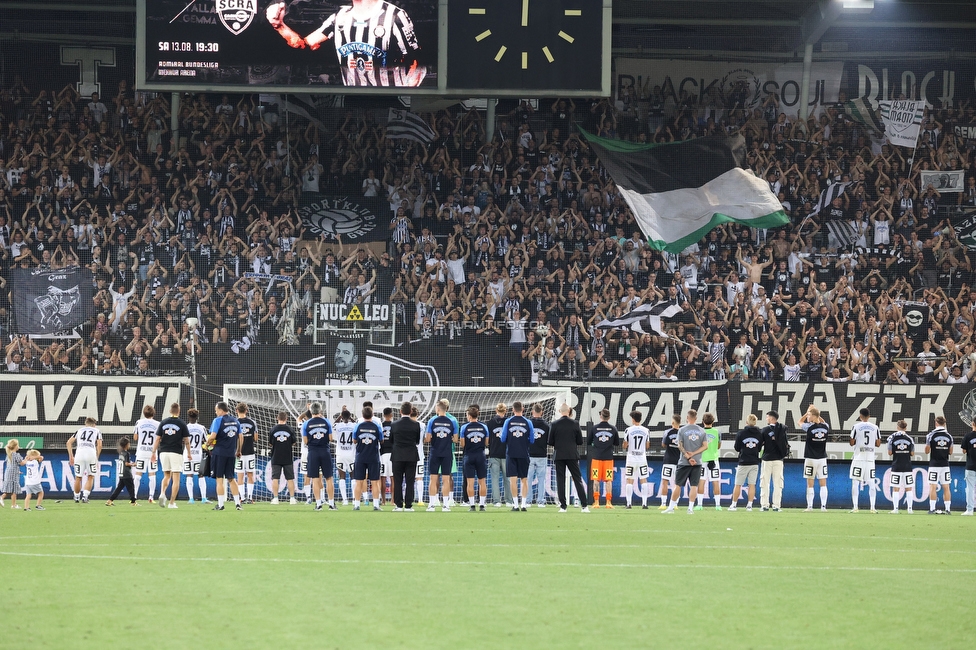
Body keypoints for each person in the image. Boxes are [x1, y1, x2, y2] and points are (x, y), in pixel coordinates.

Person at [266, 0, 427, 88]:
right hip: (354, 100)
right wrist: (279, 26)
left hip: (389, 100)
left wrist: (406, 92)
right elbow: (305, 45)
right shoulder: (340, 17)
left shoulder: (395, 15)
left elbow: (417, 60)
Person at [547, 403, 590, 513]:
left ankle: (563, 506)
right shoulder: (575, 424)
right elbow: (580, 441)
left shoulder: (554, 424)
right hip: (572, 454)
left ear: (560, 411)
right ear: (569, 411)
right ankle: (584, 506)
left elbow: (550, 441)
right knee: (577, 479)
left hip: (559, 455)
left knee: (560, 480)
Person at [664, 409, 708, 514]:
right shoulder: (702, 431)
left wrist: (688, 456)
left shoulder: (682, 430)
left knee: (678, 485)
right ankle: (690, 508)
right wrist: (694, 454)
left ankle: (671, 508)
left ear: (687, 418)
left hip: (684, 461)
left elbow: (679, 445)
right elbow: (705, 446)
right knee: (694, 486)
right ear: (696, 418)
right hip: (697, 462)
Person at [207, 401, 245, 511]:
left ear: (221, 410)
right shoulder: (235, 421)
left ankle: (220, 504)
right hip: (231, 453)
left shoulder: (217, 420)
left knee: (219, 479)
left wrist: (207, 444)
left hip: (219, 453)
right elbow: (241, 437)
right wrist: (238, 450)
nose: (215, 412)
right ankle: (238, 504)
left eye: (216, 410)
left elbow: (213, 436)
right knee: (231, 478)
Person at [152, 403, 191, 509]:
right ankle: (172, 502)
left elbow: (157, 439)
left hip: (163, 452)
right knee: (176, 479)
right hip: (176, 452)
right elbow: (186, 441)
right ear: (179, 411)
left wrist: (153, 452)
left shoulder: (163, 422)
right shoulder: (182, 423)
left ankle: (162, 493)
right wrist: (189, 453)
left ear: (170, 411)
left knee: (166, 476)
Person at [302, 402, 337, 511]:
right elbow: (331, 438)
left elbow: (305, 441)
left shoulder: (306, 424)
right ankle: (331, 504)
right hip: (325, 451)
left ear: (311, 411)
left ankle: (318, 505)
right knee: (329, 478)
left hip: (313, 452)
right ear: (320, 411)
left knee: (315, 479)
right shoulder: (326, 422)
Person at [501, 401, 534, 511]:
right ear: (523, 409)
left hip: (511, 453)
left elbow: (503, 438)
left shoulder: (508, 421)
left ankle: (515, 505)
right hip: (524, 453)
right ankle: (523, 504)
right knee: (524, 479)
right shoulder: (528, 422)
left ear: (513, 409)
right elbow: (532, 439)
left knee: (513, 480)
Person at [425, 401, 458, 511]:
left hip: (435, 452)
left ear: (438, 409)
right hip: (447, 453)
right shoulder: (452, 421)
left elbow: (428, 439)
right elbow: (456, 439)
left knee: (433, 479)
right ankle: (446, 505)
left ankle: (431, 504)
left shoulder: (432, 421)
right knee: (446, 479)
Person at [390, 401, 421, 510]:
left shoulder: (394, 425)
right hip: (411, 455)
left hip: (397, 455)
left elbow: (391, 440)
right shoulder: (416, 425)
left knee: (397, 481)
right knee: (410, 481)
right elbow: (417, 441)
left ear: (400, 411)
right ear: (411, 411)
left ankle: (398, 505)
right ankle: (408, 505)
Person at [798, 405, 830, 511]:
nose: (807, 417)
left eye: (809, 415)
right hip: (822, 458)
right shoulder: (826, 426)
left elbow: (799, 422)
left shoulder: (809, 427)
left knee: (810, 483)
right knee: (823, 483)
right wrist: (814, 413)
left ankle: (810, 506)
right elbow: (823, 421)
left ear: (813, 416)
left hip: (810, 458)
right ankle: (823, 506)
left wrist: (806, 413)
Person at [352, 406, 384, 511]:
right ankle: (376, 505)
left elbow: (354, 440)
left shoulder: (358, 426)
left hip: (360, 456)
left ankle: (357, 505)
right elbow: (381, 440)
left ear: (362, 415)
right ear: (372, 414)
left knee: (359, 481)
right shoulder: (377, 426)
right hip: (373, 456)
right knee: (374, 481)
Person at [849, 407, 881, 513]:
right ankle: (872, 507)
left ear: (860, 416)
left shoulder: (856, 426)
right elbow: (878, 443)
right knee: (871, 483)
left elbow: (851, 442)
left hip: (858, 458)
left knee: (855, 482)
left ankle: (855, 507)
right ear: (869, 416)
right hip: (870, 459)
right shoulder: (875, 427)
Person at [587, 408, 618, 508]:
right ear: (609, 417)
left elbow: (588, 442)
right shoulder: (613, 429)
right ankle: (608, 502)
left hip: (596, 458)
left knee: (596, 480)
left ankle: (596, 502)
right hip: (608, 458)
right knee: (608, 480)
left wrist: (595, 444)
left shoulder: (594, 428)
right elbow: (617, 443)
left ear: (600, 416)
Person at [460, 405, 489, 511]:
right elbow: (486, 442)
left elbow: (462, 444)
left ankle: (472, 505)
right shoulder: (484, 426)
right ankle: (482, 505)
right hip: (480, 455)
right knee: (482, 481)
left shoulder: (464, 427)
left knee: (470, 482)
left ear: (469, 416)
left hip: (469, 455)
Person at [758, 410, 789, 512]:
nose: (766, 419)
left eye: (767, 417)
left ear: (771, 418)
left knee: (764, 482)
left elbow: (760, 444)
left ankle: (764, 505)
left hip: (767, 459)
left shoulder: (765, 430)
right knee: (778, 483)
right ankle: (776, 505)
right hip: (779, 459)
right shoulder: (783, 429)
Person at [730, 414, 762, 511]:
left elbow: (737, 448)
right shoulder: (760, 434)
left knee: (738, 484)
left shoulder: (741, 433)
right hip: (754, 462)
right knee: (752, 484)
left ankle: (734, 505)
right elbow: (759, 448)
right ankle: (749, 505)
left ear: (746, 422)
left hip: (743, 462)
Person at [67, 417, 102, 504]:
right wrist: (97, 457)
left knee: (78, 477)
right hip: (91, 454)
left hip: (79, 454)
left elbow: (68, 442)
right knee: (90, 476)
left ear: (85, 423)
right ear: (94, 424)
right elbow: (99, 444)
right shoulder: (97, 431)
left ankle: (76, 497)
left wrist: (71, 456)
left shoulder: (79, 430)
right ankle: (85, 496)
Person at [925, 415, 953, 514]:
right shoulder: (949, 436)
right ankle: (948, 509)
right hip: (945, 465)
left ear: (936, 423)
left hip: (934, 465)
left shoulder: (931, 435)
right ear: (944, 423)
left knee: (933, 486)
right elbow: (950, 452)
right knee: (946, 486)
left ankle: (932, 508)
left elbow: (927, 451)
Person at [132, 405, 160, 503]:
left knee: (138, 474)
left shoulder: (139, 422)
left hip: (141, 451)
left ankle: (134, 496)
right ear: (153, 413)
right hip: (152, 452)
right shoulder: (158, 424)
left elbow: (135, 437)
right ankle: (151, 497)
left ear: (144, 413)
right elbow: (159, 438)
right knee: (152, 474)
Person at [622, 411, 650, 509]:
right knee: (643, 479)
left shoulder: (628, 430)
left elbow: (625, 445)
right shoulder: (646, 430)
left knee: (629, 480)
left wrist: (627, 444)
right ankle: (644, 503)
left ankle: (629, 503)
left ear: (633, 419)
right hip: (642, 458)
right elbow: (647, 445)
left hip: (631, 458)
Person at [269, 411, 298, 505]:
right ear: (286, 419)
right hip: (287, 457)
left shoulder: (273, 429)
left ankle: (276, 498)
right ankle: (292, 499)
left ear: (277, 418)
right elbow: (294, 442)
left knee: (275, 478)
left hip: (276, 456)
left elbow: (270, 443)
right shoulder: (290, 429)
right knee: (290, 478)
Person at [887, 420, 915, 514]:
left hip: (896, 466)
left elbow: (890, 452)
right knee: (909, 488)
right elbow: (912, 453)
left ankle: (895, 509)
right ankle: (910, 509)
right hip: (907, 466)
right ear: (906, 428)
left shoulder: (892, 438)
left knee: (896, 488)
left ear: (897, 427)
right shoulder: (910, 439)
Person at [527, 403, 551, 507]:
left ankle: (528, 501)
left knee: (528, 478)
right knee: (541, 479)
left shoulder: (528, 424)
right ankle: (540, 501)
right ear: (542, 412)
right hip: (542, 455)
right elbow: (549, 441)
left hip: (529, 454)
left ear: (532, 411)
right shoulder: (546, 425)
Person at [697, 413, 722, 510]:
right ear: (713, 422)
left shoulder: (699, 432)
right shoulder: (717, 432)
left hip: (702, 460)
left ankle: (699, 505)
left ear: (703, 421)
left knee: (701, 481)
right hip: (714, 460)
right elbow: (719, 446)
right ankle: (718, 505)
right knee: (715, 482)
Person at [184, 409, 209, 504]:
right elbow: (206, 441)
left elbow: (184, 440)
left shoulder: (185, 427)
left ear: (188, 417)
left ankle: (191, 499)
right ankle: (203, 498)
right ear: (197, 417)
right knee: (201, 476)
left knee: (189, 475)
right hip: (198, 454)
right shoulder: (202, 428)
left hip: (187, 454)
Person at [235, 403, 258, 504]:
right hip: (250, 452)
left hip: (238, 453)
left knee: (240, 476)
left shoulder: (235, 422)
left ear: (236, 411)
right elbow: (256, 438)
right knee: (250, 475)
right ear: (246, 411)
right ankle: (250, 498)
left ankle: (242, 498)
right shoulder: (252, 422)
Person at [657, 415, 681, 510]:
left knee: (665, 482)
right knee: (677, 483)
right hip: (679, 462)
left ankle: (663, 503)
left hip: (668, 461)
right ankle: (675, 504)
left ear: (673, 422)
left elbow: (663, 444)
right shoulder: (682, 432)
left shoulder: (667, 432)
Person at [333, 408, 357, 506]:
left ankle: (345, 500)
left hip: (340, 454)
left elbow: (333, 425)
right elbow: (357, 423)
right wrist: (350, 417)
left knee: (342, 477)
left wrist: (340, 416)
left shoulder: (338, 426)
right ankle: (355, 499)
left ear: (342, 417)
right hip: (351, 454)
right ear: (350, 416)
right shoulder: (354, 425)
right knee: (353, 476)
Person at [487, 403, 508, 506]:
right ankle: (509, 501)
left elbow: (487, 439)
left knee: (494, 479)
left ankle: (497, 501)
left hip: (494, 453)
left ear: (496, 410)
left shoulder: (490, 423)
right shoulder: (508, 422)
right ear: (505, 410)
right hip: (506, 453)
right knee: (507, 479)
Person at [106, 438, 137, 506]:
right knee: (131, 488)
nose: (129, 445)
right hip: (126, 473)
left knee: (119, 488)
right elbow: (126, 464)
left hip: (121, 473)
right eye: (129, 444)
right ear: (126, 445)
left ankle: (110, 500)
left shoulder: (121, 453)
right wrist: (133, 464)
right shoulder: (127, 453)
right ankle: (133, 502)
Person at [379, 407, 395, 505]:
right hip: (393, 453)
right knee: (394, 478)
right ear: (391, 414)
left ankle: (384, 501)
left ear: (383, 415)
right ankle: (393, 501)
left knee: (383, 478)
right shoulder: (395, 425)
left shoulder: (380, 425)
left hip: (383, 454)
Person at [2, 439, 24, 509]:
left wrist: (18, 471)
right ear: (15, 446)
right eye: (17, 445)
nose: (18, 446)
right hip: (13, 473)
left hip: (10, 472)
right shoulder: (16, 454)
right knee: (12, 489)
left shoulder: (9, 454)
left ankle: (13, 505)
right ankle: (1, 497)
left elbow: (12, 464)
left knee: (13, 490)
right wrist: (26, 459)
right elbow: (22, 463)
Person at [961, 418, 976, 516]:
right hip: (971, 466)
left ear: (973, 423)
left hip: (971, 465)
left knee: (970, 488)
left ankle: (970, 510)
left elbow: (964, 450)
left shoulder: (968, 436)